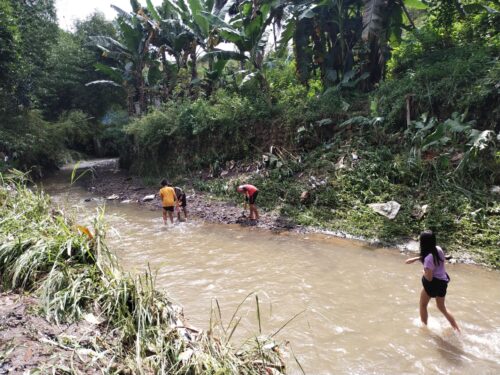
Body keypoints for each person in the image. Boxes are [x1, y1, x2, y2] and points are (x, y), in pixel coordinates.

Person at [405, 230, 460, 332]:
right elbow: (435, 259)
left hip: (433, 284)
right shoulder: (438, 249)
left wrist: (423, 271)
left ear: (423, 243)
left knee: (423, 305)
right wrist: (417, 258)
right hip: (443, 283)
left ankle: (424, 328)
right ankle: (457, 329)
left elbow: (429, 278)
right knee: (442, 308)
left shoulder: (428, 260)